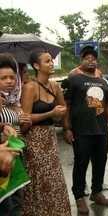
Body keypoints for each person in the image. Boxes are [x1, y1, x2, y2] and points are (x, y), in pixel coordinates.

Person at [63, 46, 108, 214]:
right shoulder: (74, 79)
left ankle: (96, 192)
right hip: (81, 131)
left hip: (100, 131)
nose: (91, 60)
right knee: (81, 164)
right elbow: (66, 105)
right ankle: (79, 197)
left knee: (100, 163)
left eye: (94, 58)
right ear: (81, 61)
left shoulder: (102, 82)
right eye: (87, 58)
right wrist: (67, 128)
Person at [21, 51, 71, 216]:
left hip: (50, 139)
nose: (51, 63)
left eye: (52, 60)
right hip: (34, 140)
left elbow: (63, 109)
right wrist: (50, 114)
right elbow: (26, 120)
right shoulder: (30, 87)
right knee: (39, 181)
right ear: (36, 66)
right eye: (47, 61)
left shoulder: (55, 86)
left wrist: (64, 124)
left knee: (55, 180)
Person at [0, 53, 30, 216]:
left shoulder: (14, 100)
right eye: (3, 78)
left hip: (15, 153)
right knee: (7, 203)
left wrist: (25, 120)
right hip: (3, 157)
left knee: (16, 199)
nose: (9, 81)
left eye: (12, 77)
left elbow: (20, 129)